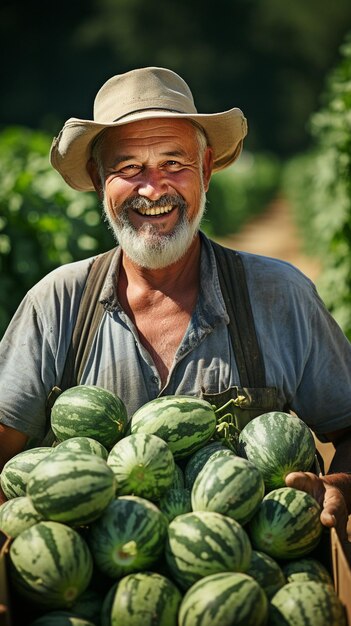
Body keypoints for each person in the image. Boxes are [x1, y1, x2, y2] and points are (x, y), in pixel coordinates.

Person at [0, 67, 351, 549]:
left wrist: (342, 485)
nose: (153, 188)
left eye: (174, 163)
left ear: (206, 170)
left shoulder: (280, 296)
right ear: (101, 182)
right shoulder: (56, 304)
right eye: (128, 168)